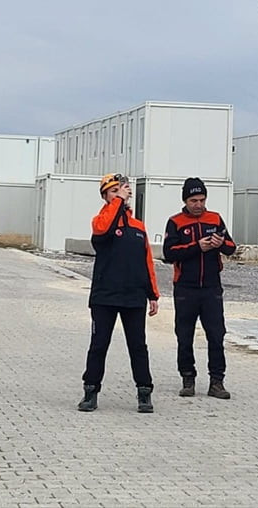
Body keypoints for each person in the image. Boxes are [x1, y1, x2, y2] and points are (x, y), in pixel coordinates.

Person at [77, 172, 160, 414]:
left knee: (138, 346)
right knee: (99, 345)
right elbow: (103, 232)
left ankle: (144, 392)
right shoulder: (100, 221)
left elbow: (147, 262)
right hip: (105, 296)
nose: (120, 195)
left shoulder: (138, 227)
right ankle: (90, 392)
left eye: (122, 190)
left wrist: (153, 294)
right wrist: (117, 203)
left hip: (133, 297)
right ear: (105, 196)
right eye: (113, 192)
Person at [162, 177, 236, 399]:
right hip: (185, 288)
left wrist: (219, 244)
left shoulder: (215, 219)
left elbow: (232, 247)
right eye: (194, 200)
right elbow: (169, 253)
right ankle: (188, 378)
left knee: (216, 335)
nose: (198, 204)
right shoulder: (175, 222)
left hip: (211, 288)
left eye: (202, 200)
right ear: (186, 200)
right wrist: (197, 247)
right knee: (184, 336)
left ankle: (217, 382)